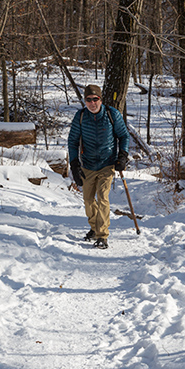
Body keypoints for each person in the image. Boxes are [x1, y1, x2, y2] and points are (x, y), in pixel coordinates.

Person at [67, 85, 129, 249]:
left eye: (95, 99)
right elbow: (72, 141)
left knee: (102, 197)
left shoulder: (112, 114)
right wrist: (74, 164)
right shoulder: (80, 117)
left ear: (101, 100)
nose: (92, 103)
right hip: (87, 164)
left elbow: (123, 136)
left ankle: (102, 235)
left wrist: (122, 156)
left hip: (107, 164)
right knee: (88, 201)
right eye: (89, 100)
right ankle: (94, 228)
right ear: (85, 101)